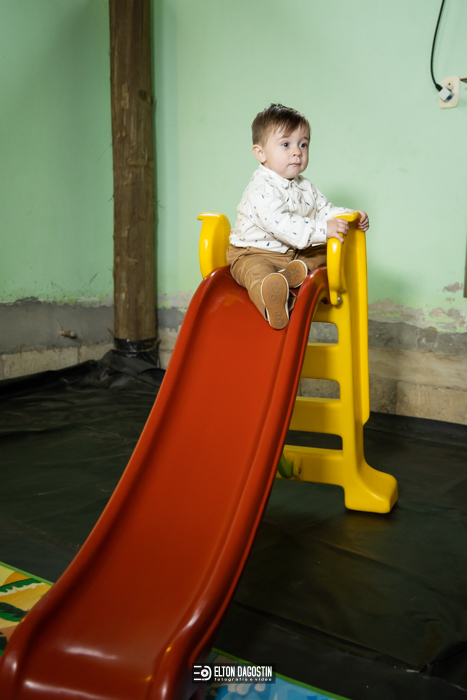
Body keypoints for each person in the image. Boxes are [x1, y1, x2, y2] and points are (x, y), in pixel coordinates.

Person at [227, 104, 369, 329]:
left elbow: (323, 209)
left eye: (303, 144)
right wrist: (323, 229)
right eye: (286, 144)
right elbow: (282, 225)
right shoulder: (261, 188)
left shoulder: (305, 186)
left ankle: (295, 272)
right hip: (253, 253)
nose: (297, 152)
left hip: (292, 253)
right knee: (256, 274)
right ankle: (273, 299)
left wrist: (347, 215)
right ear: (260, 153)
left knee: (329, 250)